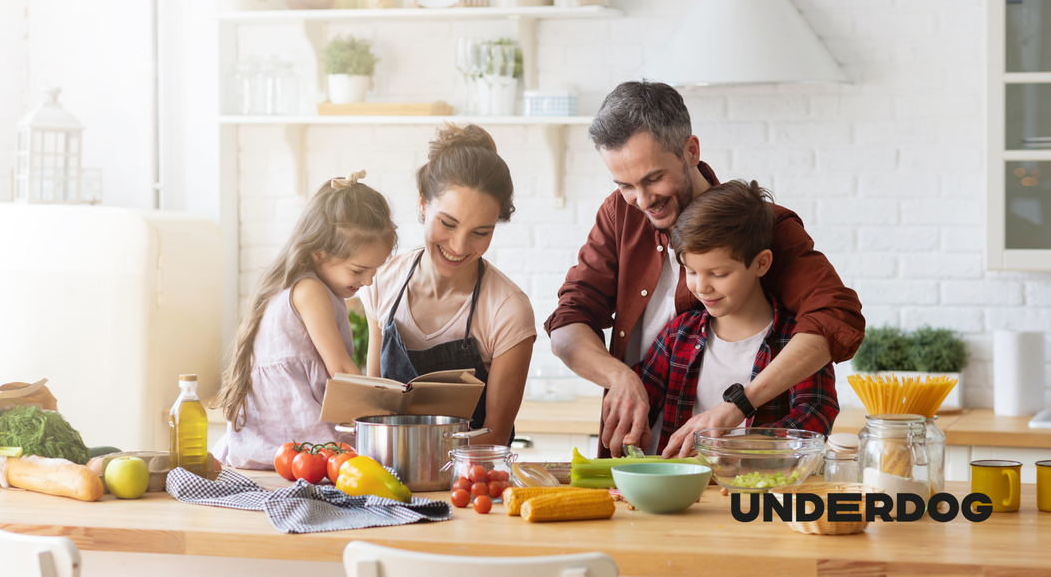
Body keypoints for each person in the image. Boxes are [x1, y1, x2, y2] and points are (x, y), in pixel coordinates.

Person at [545, 80, 864, 458]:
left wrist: (738, 409)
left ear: (691, 150)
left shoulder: (761, 227)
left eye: (653, 179)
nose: (642, 201)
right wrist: (618, 376)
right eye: (625, 185)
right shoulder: (620, 214)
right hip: (648, 462)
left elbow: (835, 316)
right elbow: (567, 323)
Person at [635, 180, 839, 458]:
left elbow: (814, 419)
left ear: (761, 263)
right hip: (680, 493)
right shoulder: (677, 335)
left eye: (718, 274)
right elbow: (639, 405)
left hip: (761, 492)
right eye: (691, 271)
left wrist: (731, 448)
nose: (701, 287)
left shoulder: (797, 342)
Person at [361, 123, 536, 447]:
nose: (458, 246)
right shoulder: (381, 282)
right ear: (423, 203)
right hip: (387, 478)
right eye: (448, 223)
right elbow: (374, 408)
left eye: (480, 232)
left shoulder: (508, 310)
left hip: (469, 483)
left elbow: (495, 437)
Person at [211, 171, 397, 469]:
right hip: (296, 436)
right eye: (358, 270)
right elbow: (340, 369)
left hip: (275, 438)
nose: (368, 281)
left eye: (374, 271)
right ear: (320, 253)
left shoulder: (302, 284)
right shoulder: (310, 290)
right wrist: (382, 412)